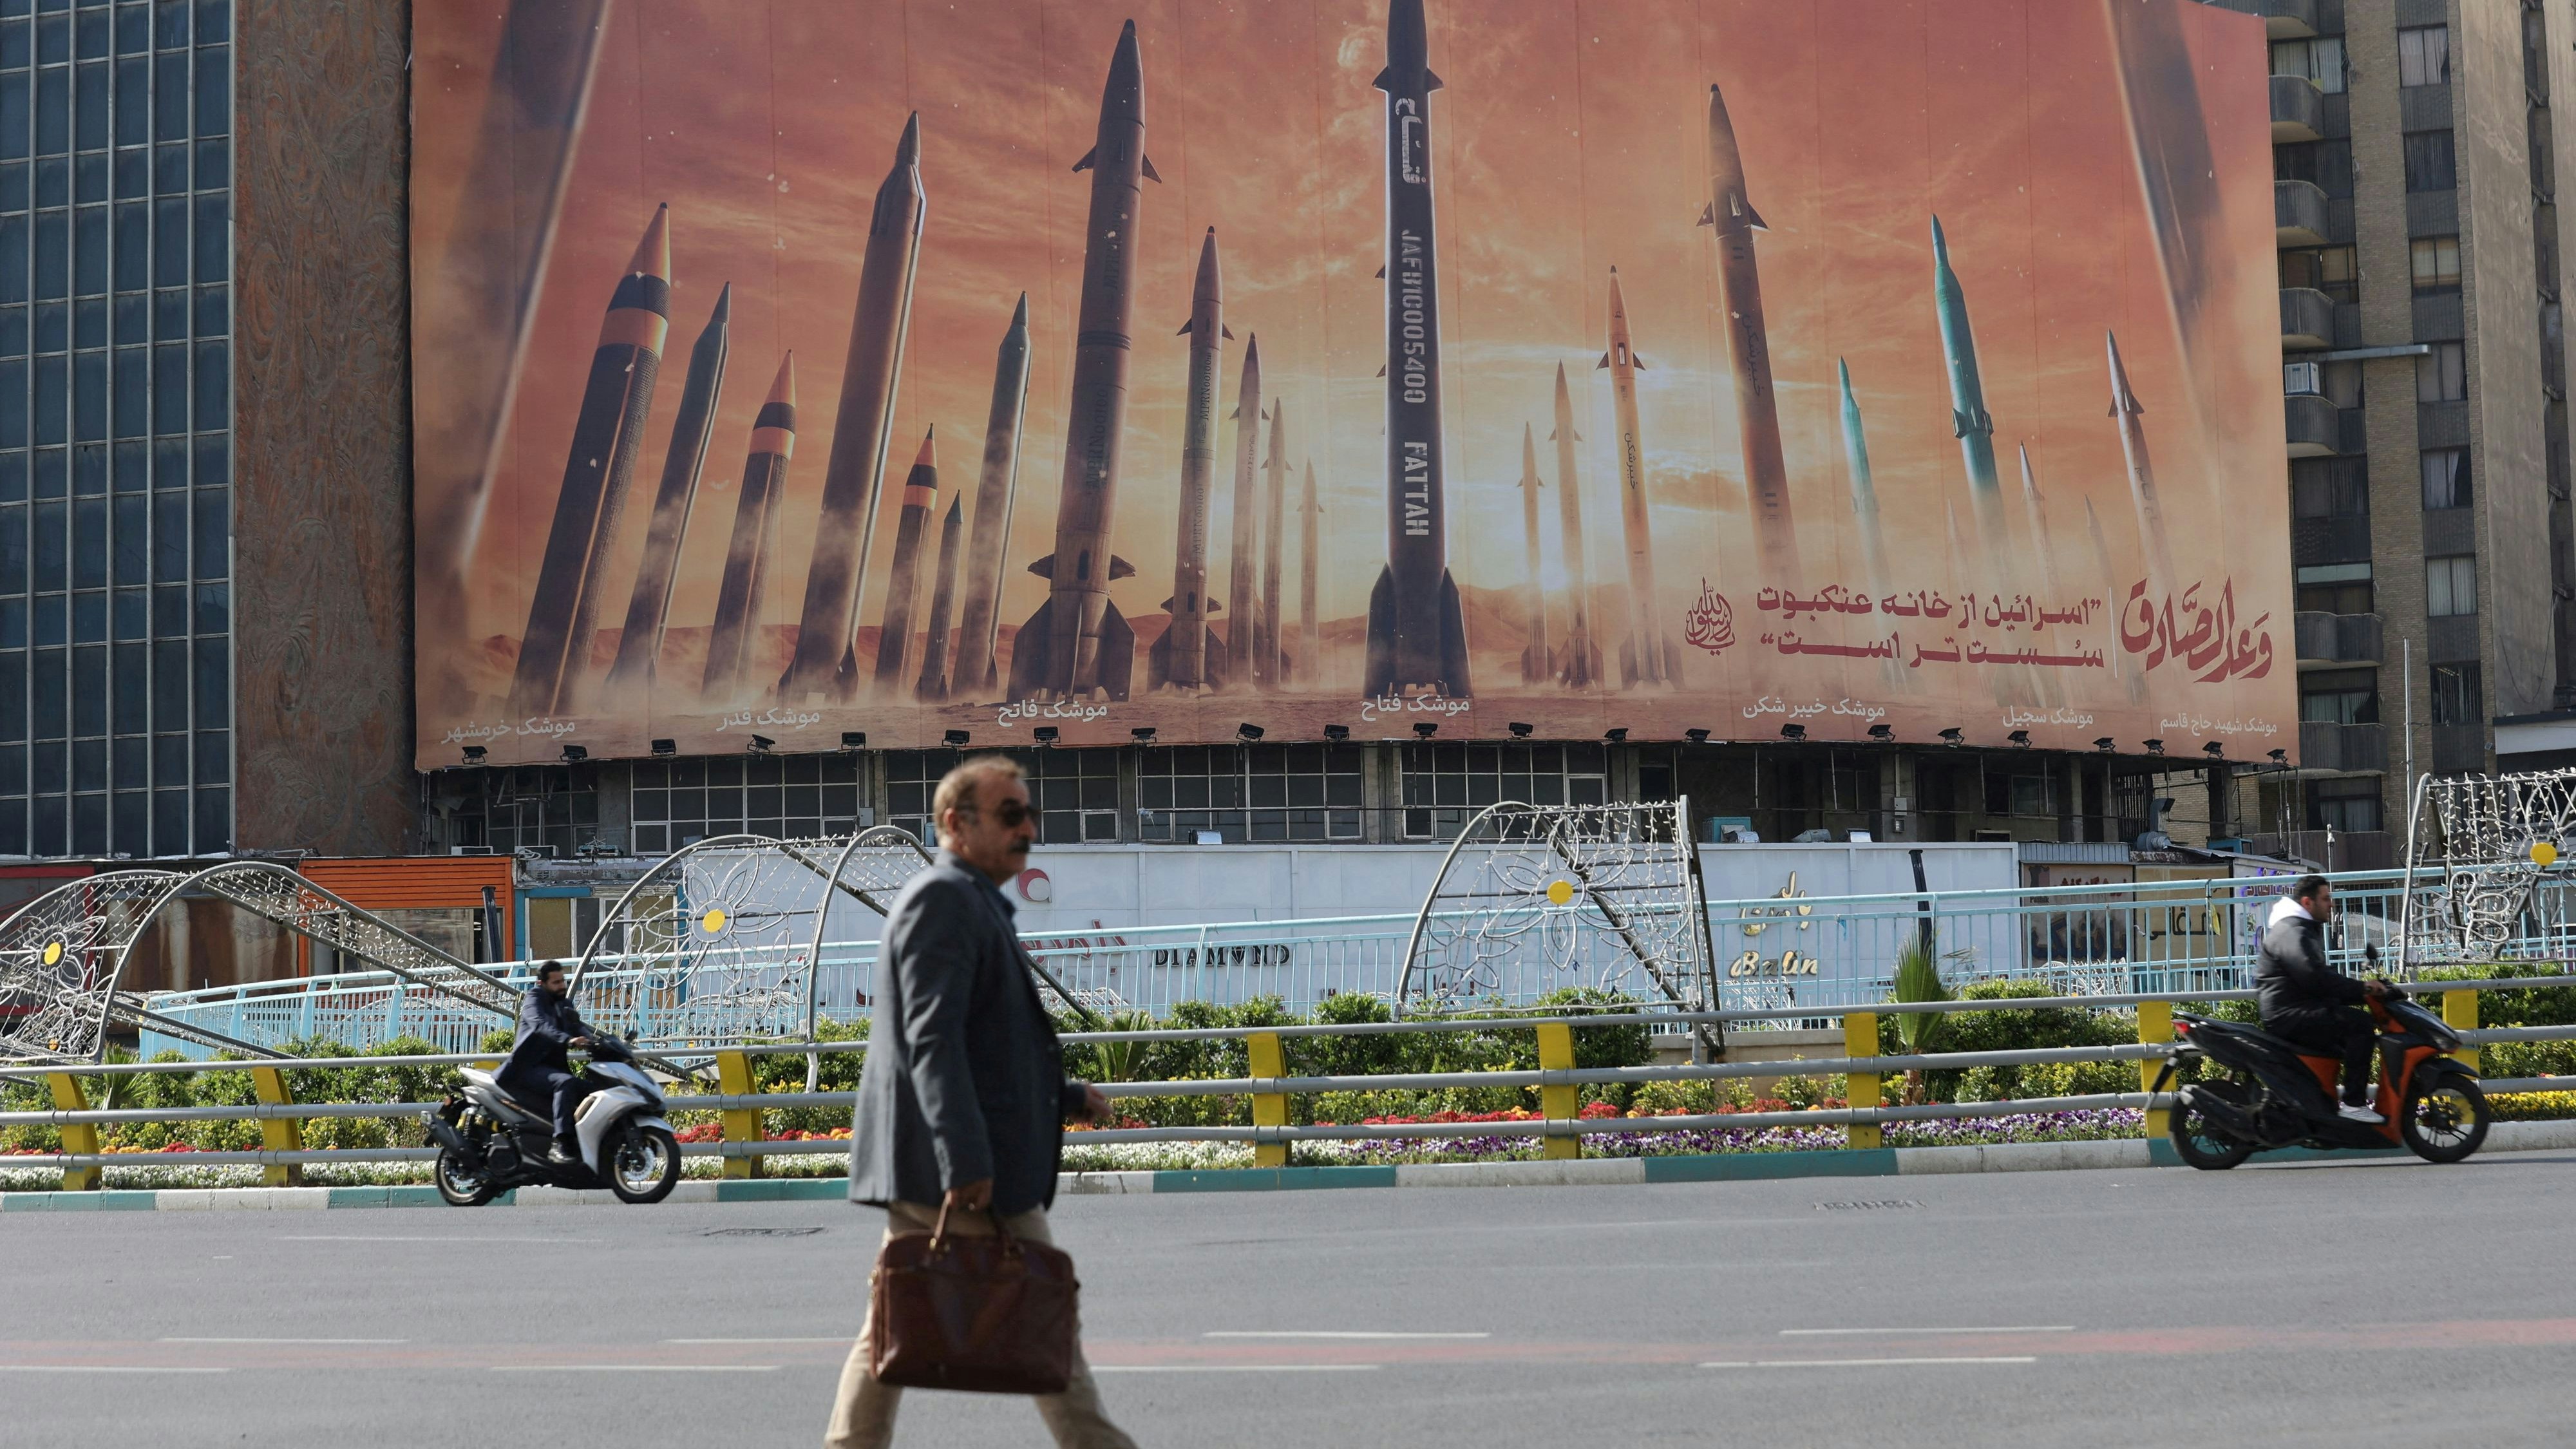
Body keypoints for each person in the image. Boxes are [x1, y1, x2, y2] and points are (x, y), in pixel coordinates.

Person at [827, 756, 1131, 1449]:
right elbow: (931, 1039)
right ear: (955, 825)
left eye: (1031, 814)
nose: (1029, 829)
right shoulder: (943, 900)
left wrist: (1062, 1097)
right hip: (964, 1171)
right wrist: (963, 1159)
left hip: (949, 1159)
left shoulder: (971, 900)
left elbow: (984, 1046)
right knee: (1045, 1315)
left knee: (893, 1321)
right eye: (1011, 815)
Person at [2256, 875, 2390, 1124]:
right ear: (2308, 903)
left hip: (2294, 1008)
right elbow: (2315, 977)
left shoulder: (2298, 929)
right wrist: (2362, 989)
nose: (2332, 904)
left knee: (2345, 1023)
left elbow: (2318, 979)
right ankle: (2354, 1104)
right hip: (2289, 1014)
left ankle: (2323, 1107)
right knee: (2360, 1026)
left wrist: (2357, 990)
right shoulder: (2294, 932)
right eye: (2326, 899)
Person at [497, 960, 597, 1162]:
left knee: (595, 1091)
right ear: (542, 984)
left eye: (563, 981)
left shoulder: (564, 1004)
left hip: (552, 1070)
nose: (562, 986)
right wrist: (568, 1040)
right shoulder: (534, 999)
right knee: (565, 1083)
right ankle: (559, 1144)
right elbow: (540, 1024)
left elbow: (578, 1027)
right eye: (556, 982)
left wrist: (600, 1043)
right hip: (527, 1070)